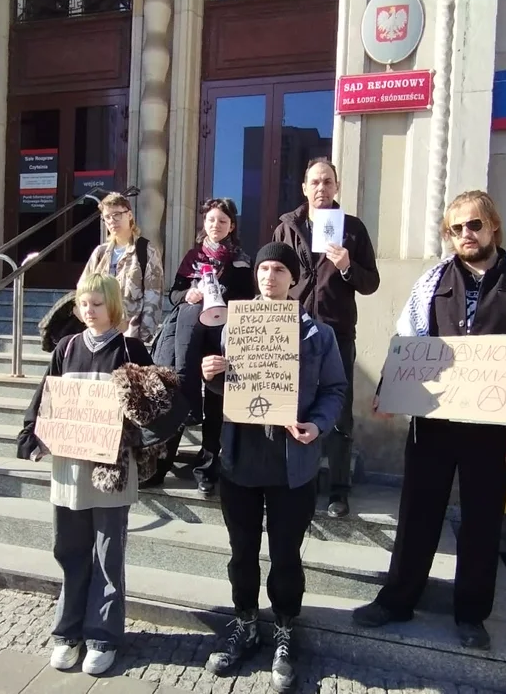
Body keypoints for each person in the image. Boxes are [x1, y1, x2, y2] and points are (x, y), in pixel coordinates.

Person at [352, 190, 506, 651]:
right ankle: (397, 600)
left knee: (482, 520)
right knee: (417, 513)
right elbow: (407, 342)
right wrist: (389, 389)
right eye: (456, 229)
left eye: (473, 225)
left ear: (492, 227)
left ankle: (471, 614)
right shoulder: (431, 281)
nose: (465, 235)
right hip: (434, 421)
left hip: (490, 426)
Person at [199, 241, 348, 692]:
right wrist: (213, 374)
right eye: (263, 268)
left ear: (293, 278)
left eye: (279, 269)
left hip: (291, 466)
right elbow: (233, 391)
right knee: (241, 551)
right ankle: (245, 621)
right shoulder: (233, 327)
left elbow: (337, 390)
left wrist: (317, 425)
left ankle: (284, 628)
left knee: (285, 554)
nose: (269, 276)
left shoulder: (318, 335)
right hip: (241, 459)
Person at [17, 274, 155, 675]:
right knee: (70, 550)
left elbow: (153, 408)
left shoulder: (130, 349)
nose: (89, 311)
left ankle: (103, 635)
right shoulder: (67, 347)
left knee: (108, 555)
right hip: (68, 467)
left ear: (112, 305)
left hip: (110, 469)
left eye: (97, 303)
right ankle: (68, 631)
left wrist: (132, 432)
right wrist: (32, 433)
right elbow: (45, 395)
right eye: (84, 303)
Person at [272, 158, 379, 518]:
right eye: (315, 182)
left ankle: (338, 490)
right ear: (304, 187)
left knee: (338, 410)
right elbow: (273, 272)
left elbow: (371, 283)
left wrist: (348, 265)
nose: (321, 188)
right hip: (293, 329)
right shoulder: (287, 227)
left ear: (337, 187)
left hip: (336, 330)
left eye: (328, 182)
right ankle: (295, 478)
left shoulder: (353, 228)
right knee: (290, 403)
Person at [150, 197, 256, 494]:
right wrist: (190, 294)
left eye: (222, 221)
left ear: (231, 226)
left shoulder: (241, 260)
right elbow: (173, 295)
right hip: (188, 337)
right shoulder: (192, 256)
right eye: (211, 220)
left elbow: (248, 301)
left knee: (216, 400)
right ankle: (160, 463)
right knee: (181, 385)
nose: (216, 225)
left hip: (223, 338)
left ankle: (208, 468)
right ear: (204, 223)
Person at [79, 192, 165, 345]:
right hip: (100, 331)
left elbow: (153, 295)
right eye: (107, 217)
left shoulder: (145, 249)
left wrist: (144, 336)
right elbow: (83, 289)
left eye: (117, 214)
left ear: (129, 215)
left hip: (130, 331)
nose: (112, 221)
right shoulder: (100, 253)